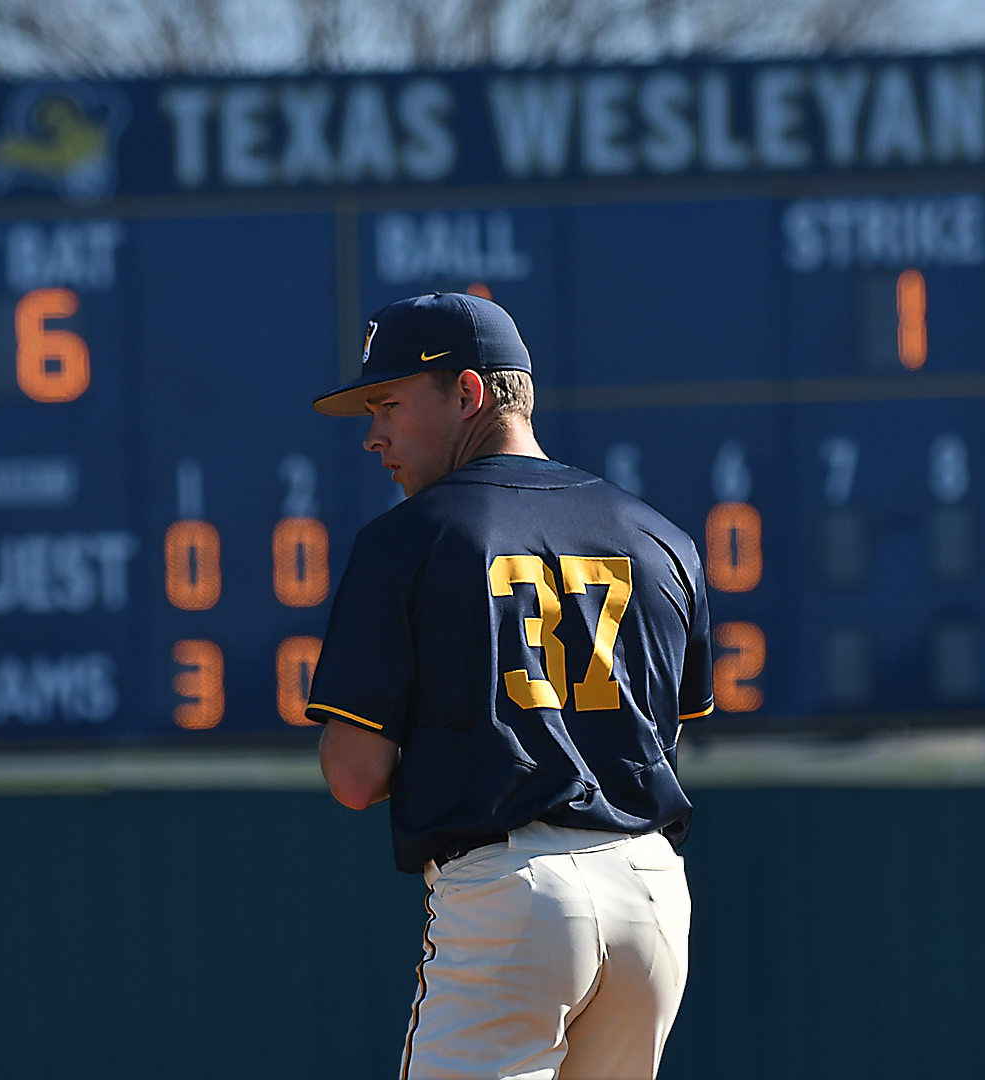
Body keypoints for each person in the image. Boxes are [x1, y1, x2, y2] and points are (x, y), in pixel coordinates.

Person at [305, 292, 714, 1080]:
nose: (373, 435)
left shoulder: (408, 540)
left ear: (468, 393)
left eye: (389, 403)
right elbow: (660, 740)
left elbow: (355, 777)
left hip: (514, 896)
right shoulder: (662, 538)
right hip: (652, 895)